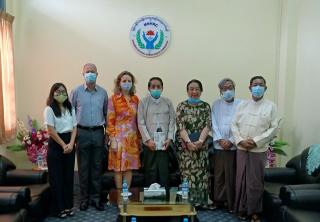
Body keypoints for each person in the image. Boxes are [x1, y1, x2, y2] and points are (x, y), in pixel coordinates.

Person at [231, 76, 278, 222]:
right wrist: (240, 140)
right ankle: (242, 208)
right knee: (241, 179)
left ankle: (254, 211)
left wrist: (255, 141)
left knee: (255, 182)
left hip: (258, 150)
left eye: (261, 85)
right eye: (255, 84)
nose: (258, 87)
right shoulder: (242, 105)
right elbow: (234, 125)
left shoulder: (271, 106)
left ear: (265, 88)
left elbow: (273, 128)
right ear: (249, 87)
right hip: (242, 148)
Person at [70, 63, 108, 211]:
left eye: (93, 71)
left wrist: (107, 134)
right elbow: (71, 113)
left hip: (99, 132)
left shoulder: (103, 93)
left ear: (97, 74)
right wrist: (72, 135)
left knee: (97, 167)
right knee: (83, 167)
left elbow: (106, 113)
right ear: (83, 74)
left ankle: (96, 199)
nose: (90, 74)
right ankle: (84, 199)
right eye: (88, 71)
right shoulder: (76, 92)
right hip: (82, 132)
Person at [176, 79, 211, 209]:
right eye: (191, 89)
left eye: (197, 89)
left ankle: (201, 202)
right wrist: (189, 142)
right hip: (186, 148)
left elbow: (207, 126)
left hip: (201, 147)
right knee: (187, 175)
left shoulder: (206, 106)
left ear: (201, 91)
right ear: (187, 91)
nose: (194, 91)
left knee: (202, 175)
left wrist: (201, 141)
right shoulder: (181, 106)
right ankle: (186, 202)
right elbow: (181, 126)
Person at [44, 83, 77, 218]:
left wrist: (71, 143)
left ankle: (68, 206)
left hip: (70, 142)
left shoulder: (70, 107)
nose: (61, 94)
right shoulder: (49, 109)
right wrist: (64, 145)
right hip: (57, 144)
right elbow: (50, 130)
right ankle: (59, 208)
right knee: (57, 178)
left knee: (68, 177)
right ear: (53, 94)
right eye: (58, 92)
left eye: (63, 91)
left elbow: (75, 127)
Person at [138, 77, 176, 187]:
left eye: (158, 87)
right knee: (150, 173)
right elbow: (141, 122)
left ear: (162, 88)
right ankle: (150, 201)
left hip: (164, 144)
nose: (156, 89)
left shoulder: (167, 102)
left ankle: (166, 201)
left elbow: (172, 121)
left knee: (164, 173)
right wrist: (148, 140)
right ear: (149, 88)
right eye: (153, 86)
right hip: (149, 144)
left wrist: (169, 138)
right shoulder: (143, 102)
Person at [211, 78, 241, 212]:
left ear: (234, 89)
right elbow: (213, 123)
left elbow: (241, 124)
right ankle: (218, 201)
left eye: (230, 88)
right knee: (219, 175)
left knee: (231, 176)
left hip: (233, 146)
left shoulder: (241, 104)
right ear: (220, 91)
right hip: (219, 145)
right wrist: (220, 140)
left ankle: (231, 203)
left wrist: (231, 140)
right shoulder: (215, 104)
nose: (227, 91)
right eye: (224, 88)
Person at [107, 71, 141, 189]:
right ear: (119, 83)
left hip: (132, 139)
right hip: (118, 138)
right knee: (118, 168)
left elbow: (138, 120)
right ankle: (119, 196)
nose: (127, 83)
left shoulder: (136, 99)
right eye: (124, 81)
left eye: (129, 81)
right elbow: (110, 120)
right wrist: (112, 139)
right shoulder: (113, 99)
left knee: (129, 167)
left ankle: (126, 196)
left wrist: (140, 139)